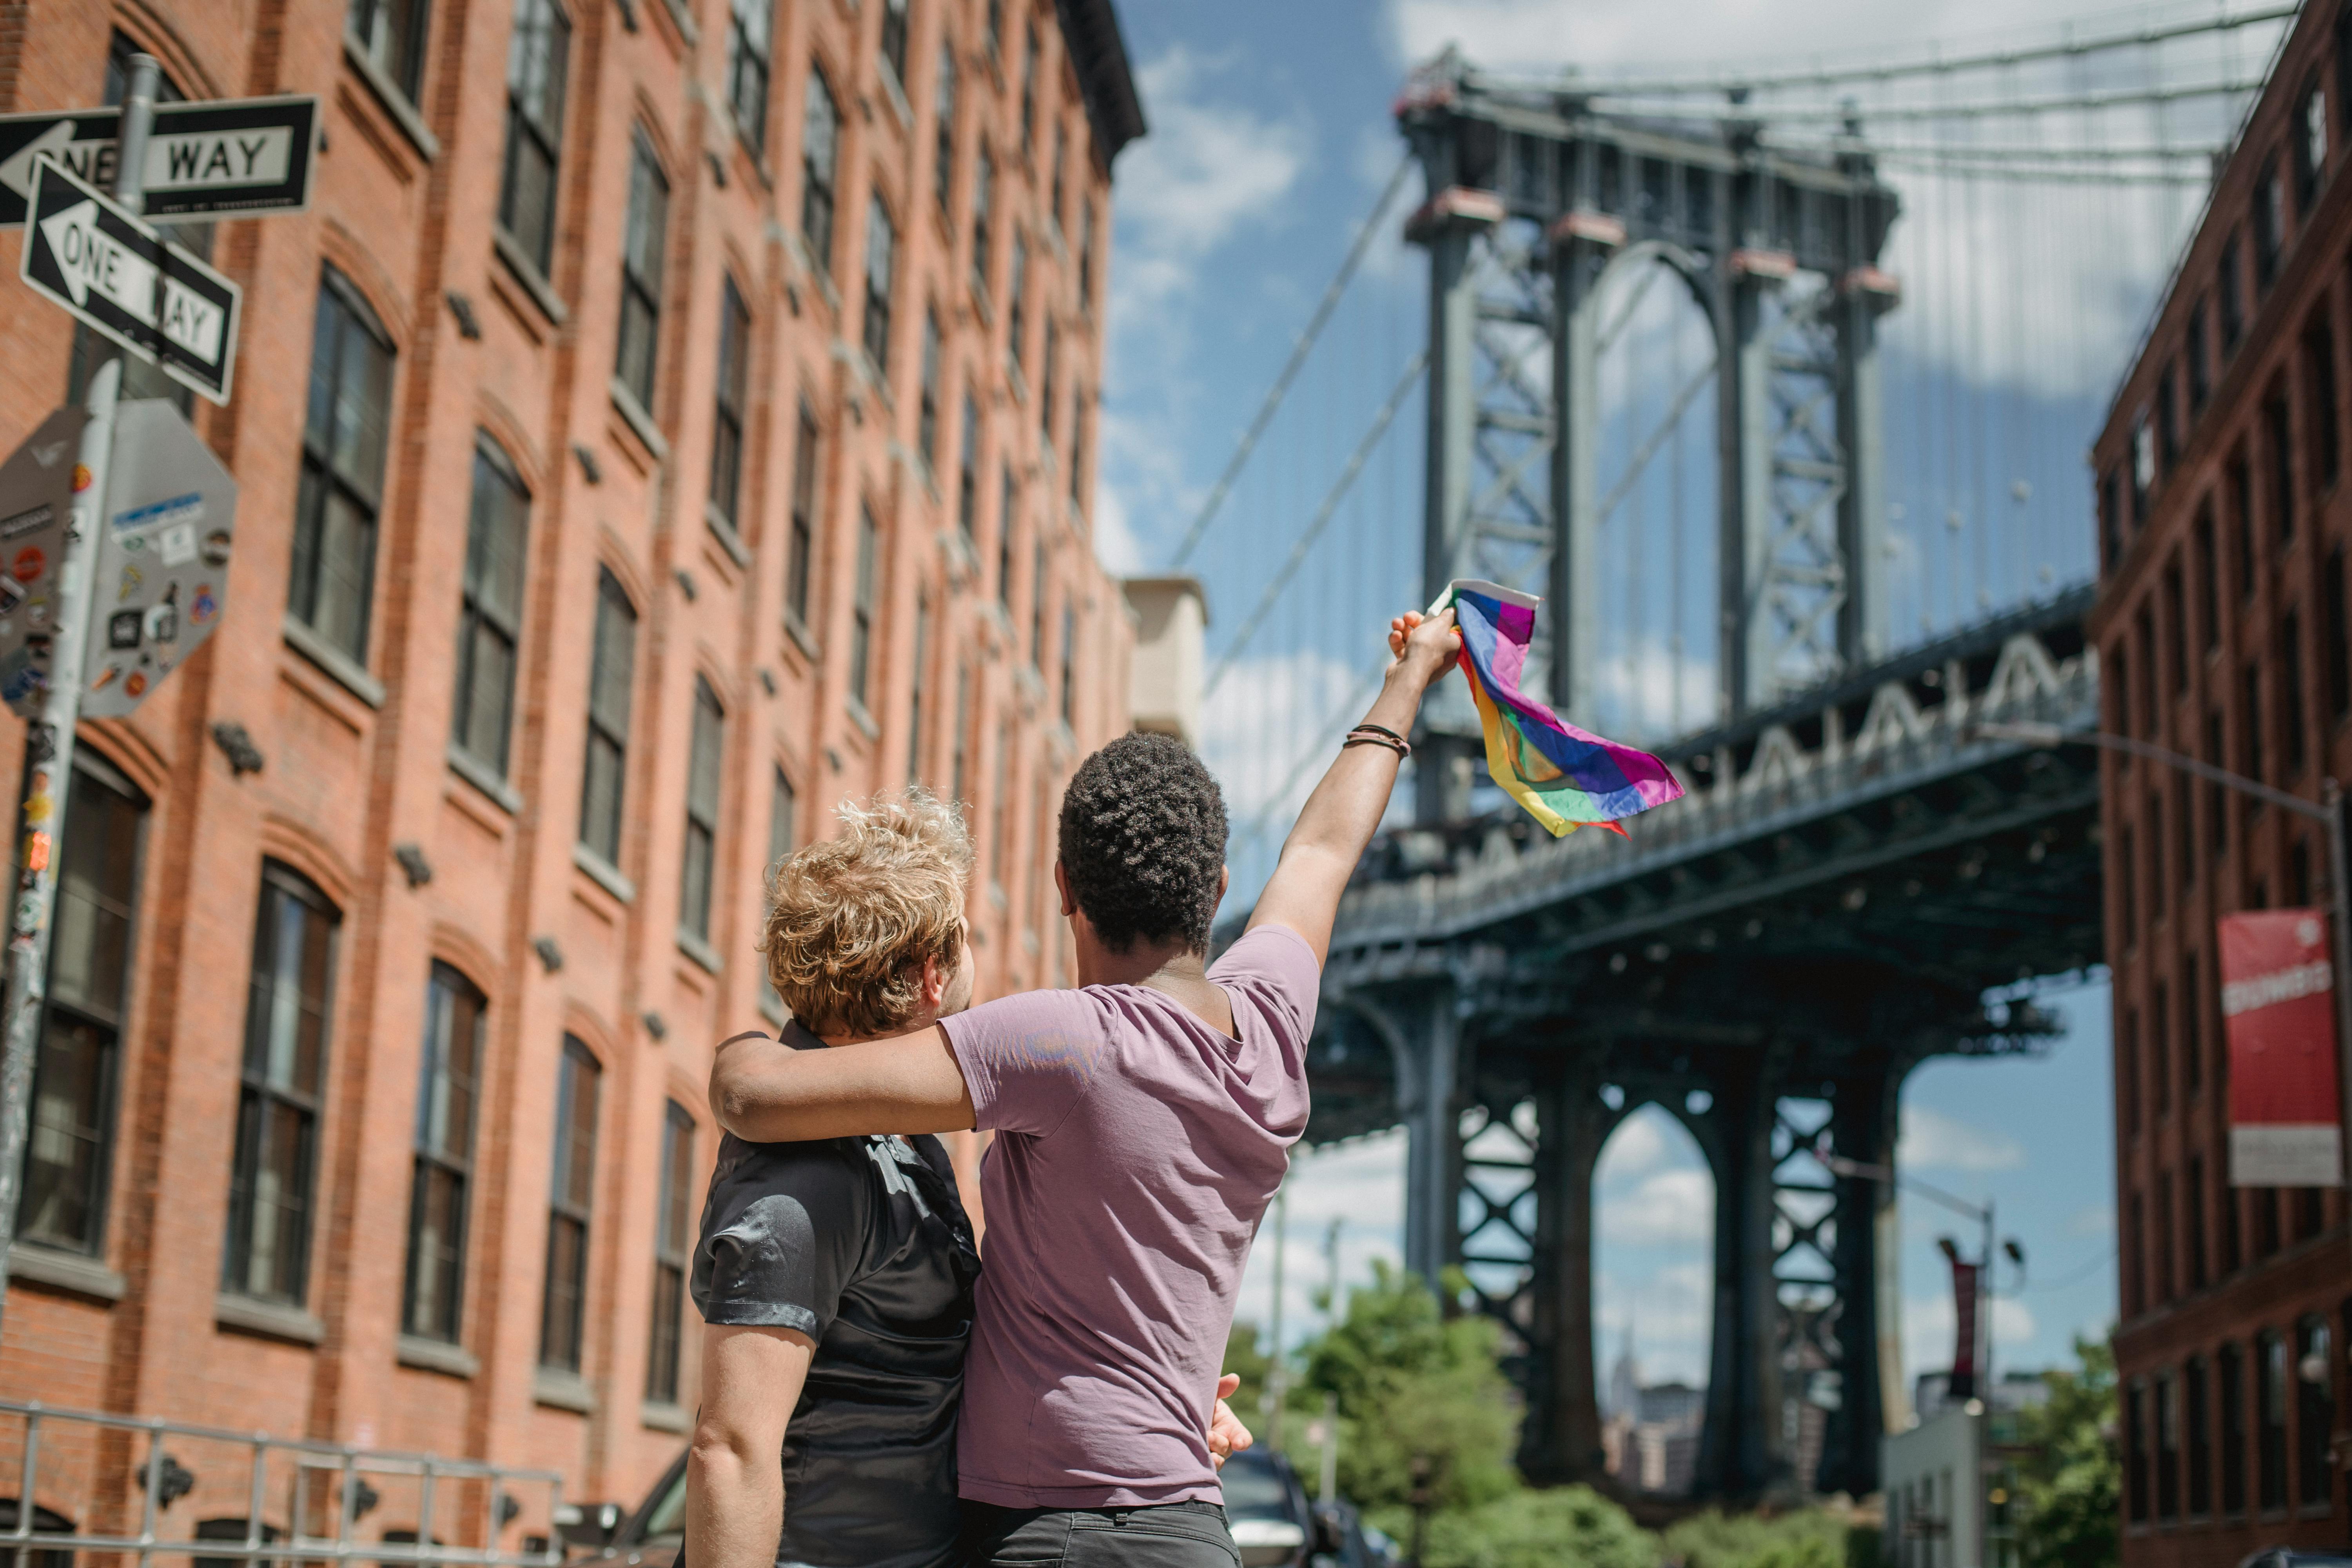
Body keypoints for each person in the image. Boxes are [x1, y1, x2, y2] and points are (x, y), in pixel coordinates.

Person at [707, 609, 1461, 1568]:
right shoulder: (1270, 1024)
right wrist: (1411, 678)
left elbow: (767, 1099)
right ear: (1220, 885)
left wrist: (737, 1059)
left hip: (1047, 1532)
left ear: (1065, 886)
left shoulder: (1062, 1039)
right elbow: (1320, 853)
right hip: (1192, 1528)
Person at [685, 790, 1252, 1568]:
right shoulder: (802, 1177)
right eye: (968, 938)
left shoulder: (894, 1133)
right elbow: (730, 1448)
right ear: (931, 973)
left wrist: (1142, 1394)